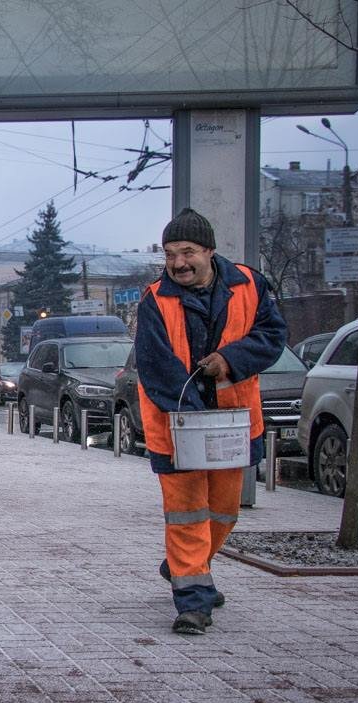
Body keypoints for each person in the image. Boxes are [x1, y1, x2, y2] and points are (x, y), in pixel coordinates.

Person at [135, 208, 286, 635]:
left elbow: (273, 337)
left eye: (187, 252)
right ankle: (193, 603)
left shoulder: (251, 285)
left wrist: (230, 361)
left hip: (234, 424)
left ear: (210, 251)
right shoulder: (154, 300)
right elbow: (156, 367)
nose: (178, 263)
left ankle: (189, 566)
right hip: (176, 427)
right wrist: (193, 420)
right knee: (186, 515)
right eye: (169, 255)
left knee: (223, 512)